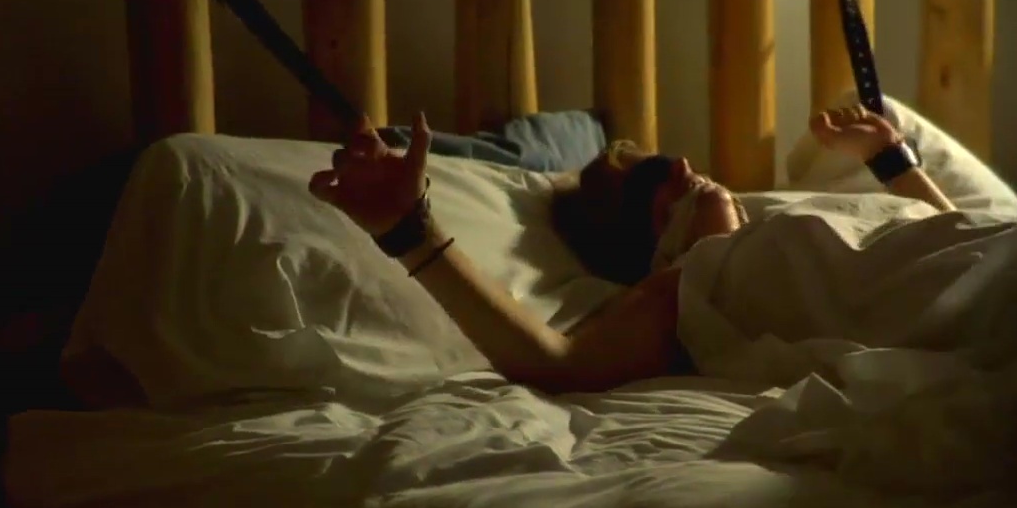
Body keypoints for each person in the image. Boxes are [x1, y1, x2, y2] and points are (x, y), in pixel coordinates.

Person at [307, 106, 962, 395]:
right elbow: (558, 363)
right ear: (648, 246)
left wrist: (891, 159)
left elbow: (955, 241)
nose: (683, 166)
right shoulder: (693, 285)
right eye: (653, 179)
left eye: (669, 160)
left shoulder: (781, 224)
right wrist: (411, 234)